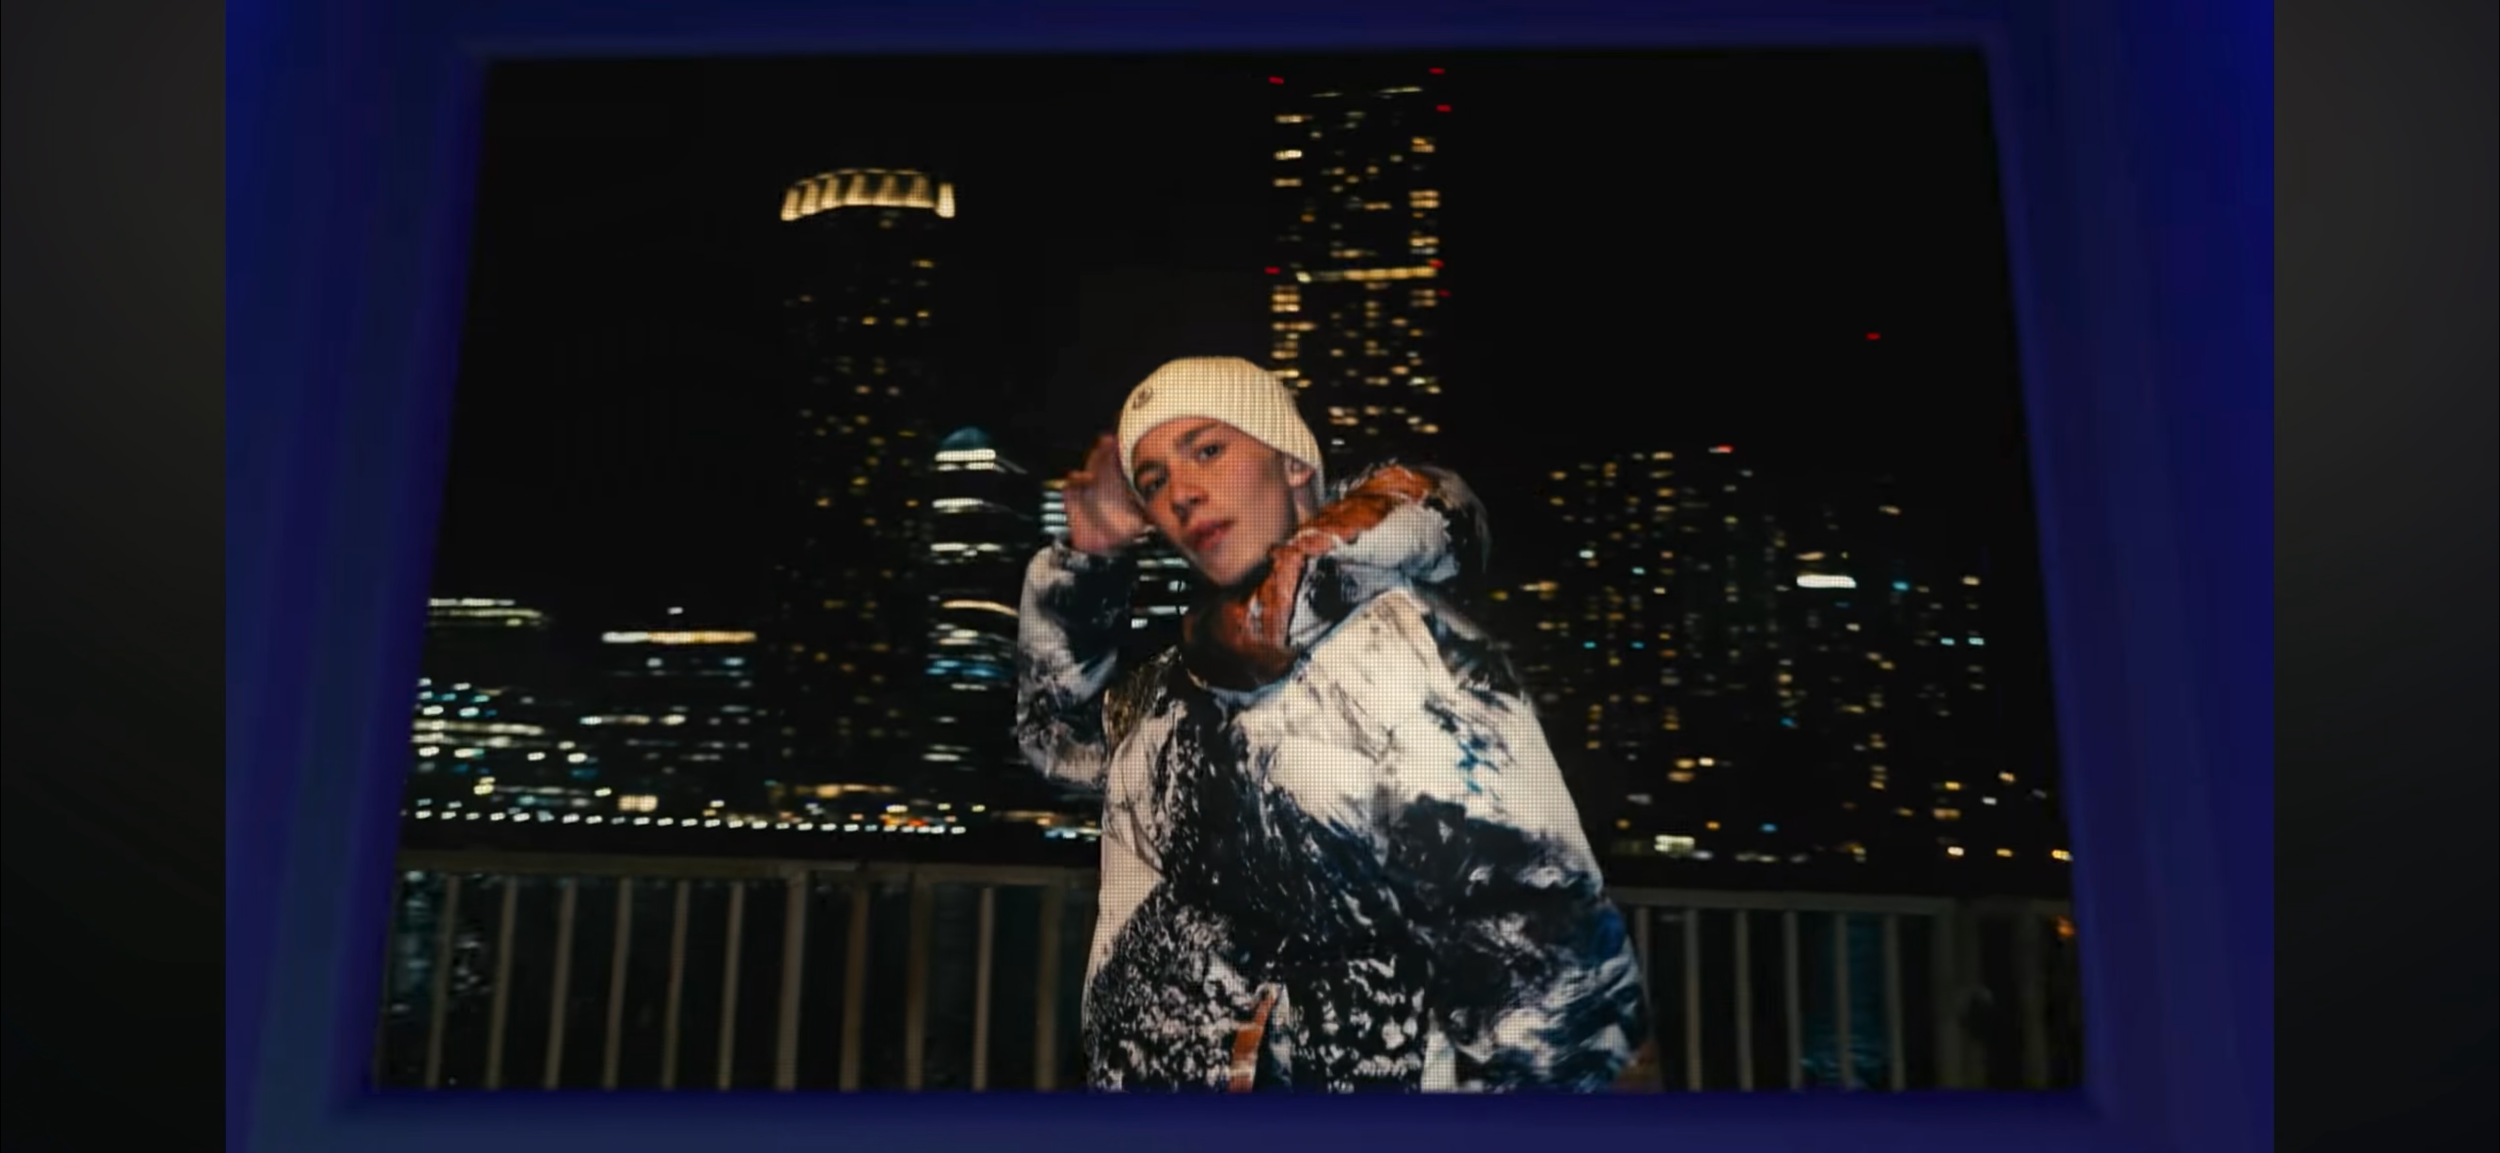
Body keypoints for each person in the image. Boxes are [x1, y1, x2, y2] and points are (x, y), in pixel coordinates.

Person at [1015, 356, 1656, 1092]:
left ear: (1293, 464)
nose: (1181, 493)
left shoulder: (1404, 653)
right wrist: (1088, 562)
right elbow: (1062, 746)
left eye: (1209, 449)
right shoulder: (1183, 674)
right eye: (1154, 480)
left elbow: (1557, 996)